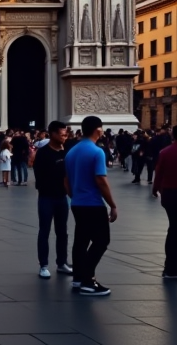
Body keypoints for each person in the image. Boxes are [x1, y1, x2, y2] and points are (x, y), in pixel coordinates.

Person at [65, 113, 118, 295]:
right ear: (98, 130)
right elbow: (101, 180)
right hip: (93, 204)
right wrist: (112, 204)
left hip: (77, 203)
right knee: (102, 241)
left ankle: (78, 278)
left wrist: (75, 196)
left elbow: (66, 180)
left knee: (81, 240)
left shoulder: (72, 151)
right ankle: (88, 279)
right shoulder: (97, 151)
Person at [31, 120, 72, 279]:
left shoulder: (66, 151)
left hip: (62, 197)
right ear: (53, 134)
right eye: (62, 134)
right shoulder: (43, 153)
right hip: (46, 197)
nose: (65, 137)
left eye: (66, 134)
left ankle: (62, 263)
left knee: (63, 232)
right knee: (44, 231)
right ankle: (44, 265)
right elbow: (39, 176)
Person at [152, 124, 177, 279]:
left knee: (173, 228)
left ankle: (171, 267)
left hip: (170, 194)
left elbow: (159, 172)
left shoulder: (165, 152)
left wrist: (156, 189)